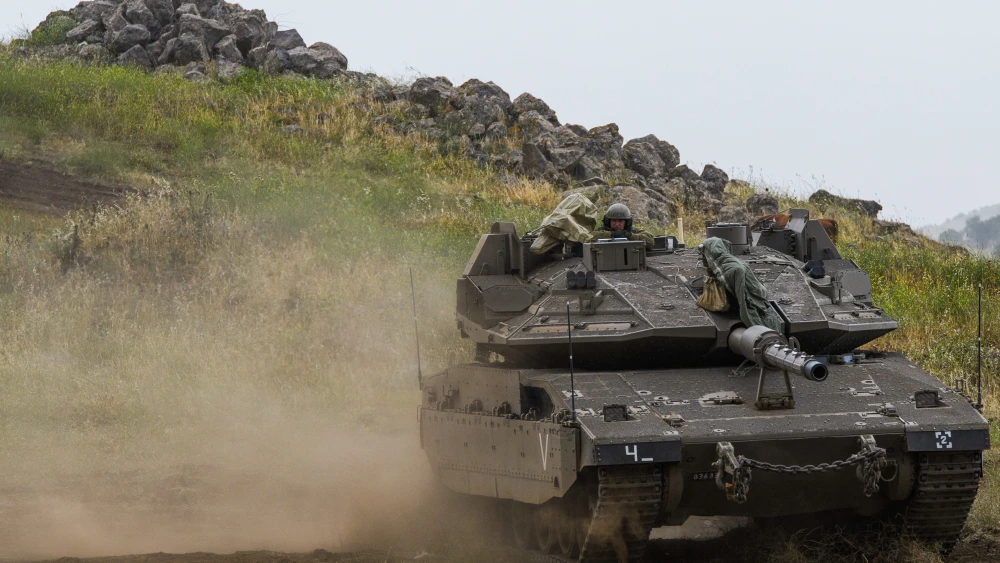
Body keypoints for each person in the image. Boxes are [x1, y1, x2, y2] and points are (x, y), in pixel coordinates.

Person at [589, 203, 654, 248]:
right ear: (608, 221)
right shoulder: (602, 230)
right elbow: (588, 237)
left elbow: (650, 240)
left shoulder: (631, 230)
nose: (617, 224)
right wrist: (612, 234)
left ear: (626, 222)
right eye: (614, 220)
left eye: (620, 221)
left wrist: (628, 236)